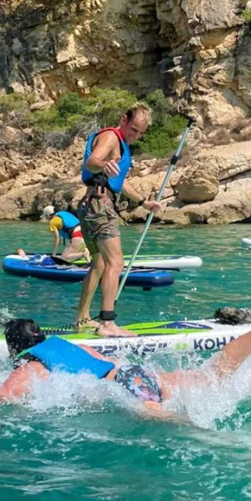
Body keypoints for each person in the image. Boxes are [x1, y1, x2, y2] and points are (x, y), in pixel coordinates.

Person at [0, 316, 251, 419]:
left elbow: (2, 400)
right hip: (135, 374)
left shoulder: (30, 367)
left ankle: (225, 444)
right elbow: (105, 364)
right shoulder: (70, 347)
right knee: (211, 377)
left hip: (125, 389)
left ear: (16, 349)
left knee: (178, 425)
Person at [74, 104, 161, 337]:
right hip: (100, 206)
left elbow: (119, 181)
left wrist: (144, 202)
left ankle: (82, 319)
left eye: (140, 133)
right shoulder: (111, 137)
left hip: (91, 204)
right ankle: (108, 323)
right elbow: (91, 162)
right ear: (124, 119)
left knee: (100, 263)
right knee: (116, 263)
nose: (135, 136)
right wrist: (103, 164)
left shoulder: (120, 144)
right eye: (133, 129)